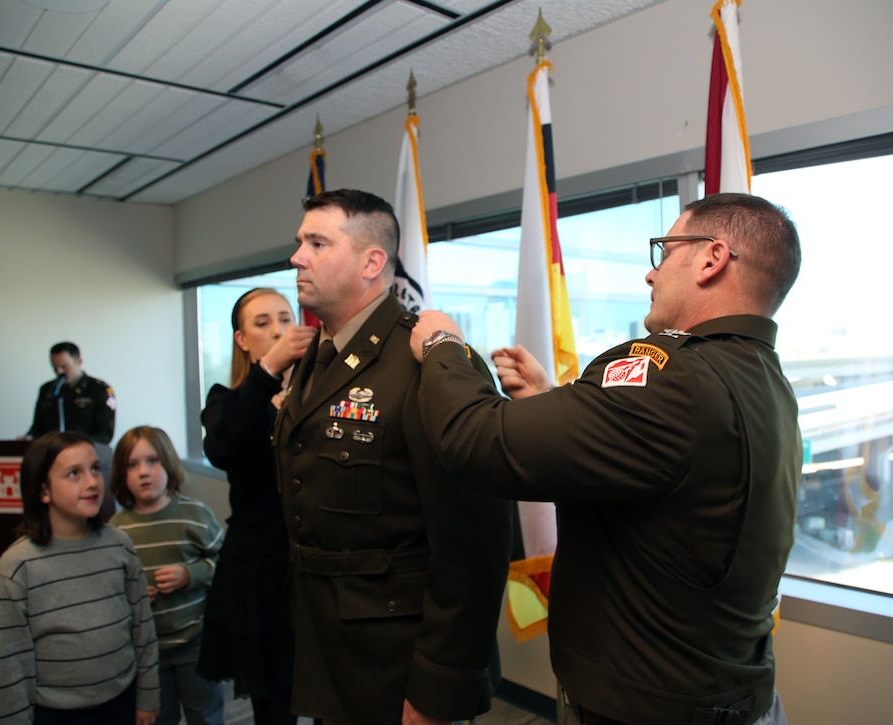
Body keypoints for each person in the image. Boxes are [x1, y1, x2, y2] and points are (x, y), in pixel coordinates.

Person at [410, 192, 802, 725]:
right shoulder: (763, 378)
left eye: (664, 251)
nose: (651, 273)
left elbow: (478, 441)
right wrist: (555, 404)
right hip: (725, 694)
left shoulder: (673, 376)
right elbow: (657, 480)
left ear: (712, 258)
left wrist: (443, 346)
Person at [276, 188, 512, 724]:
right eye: (299, 242)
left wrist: (437, 691)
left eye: (316, 242)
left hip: (399, 661)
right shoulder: (316, 355)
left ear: (372, 261)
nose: (296, 257)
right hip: (327, 644)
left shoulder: (429, 362)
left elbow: (473, 548)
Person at [0, 431, 160, 724]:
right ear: (43, 491)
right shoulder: (17, 567)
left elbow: (143, 628)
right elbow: (6, 666)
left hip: (122, 703)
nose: (92, 482)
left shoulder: (119, 545)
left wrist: (148, 696)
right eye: (74, 474)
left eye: (94, 469)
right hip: (56, 714)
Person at [197, 288, 314, 724]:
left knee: (329, 692)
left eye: (285, 318)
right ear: (241, 339)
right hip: (260, 568)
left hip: (314, 565)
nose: (279, 329)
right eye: (262, 323)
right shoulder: (226, 402)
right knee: (274, 702)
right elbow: (224, 446)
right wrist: (268, 371)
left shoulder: (316, 397)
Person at [110, 426, 226, 725]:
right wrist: (129, 594)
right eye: (132, 465)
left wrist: (190, 575)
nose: (143, 472)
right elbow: (108, 586)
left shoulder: (194, 515)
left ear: (169, 463)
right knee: (158, 716)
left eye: (153, 461)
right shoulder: (116, 531)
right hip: (145, 651)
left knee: (205, 713)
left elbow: (225, 562)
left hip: (195, 641)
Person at [25, 342, 116, 444]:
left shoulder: (99, 389)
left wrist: (75, 444)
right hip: (52, 452)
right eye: (54, 367)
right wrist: (30, 437)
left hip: (87, 452)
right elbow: (38, 427)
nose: (59, 372)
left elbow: (105, 434)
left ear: (79, 361)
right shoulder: (47, 389)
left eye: (64, 366)